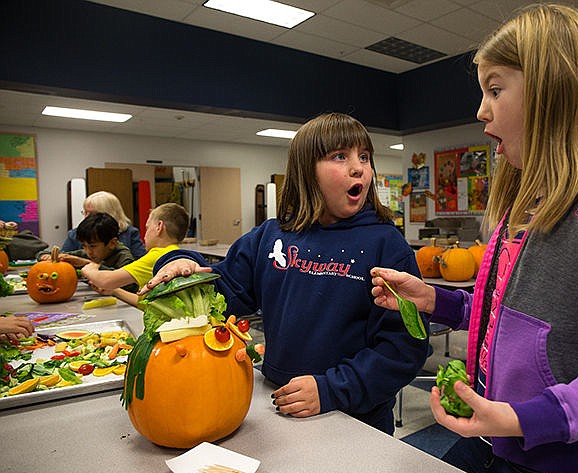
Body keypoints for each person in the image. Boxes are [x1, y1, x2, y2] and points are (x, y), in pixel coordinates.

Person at [371, 4, 578, 473]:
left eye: (496, 89)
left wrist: (522, 418)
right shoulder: (524, 203)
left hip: (560, 463)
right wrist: (436, 300)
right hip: (494, 443)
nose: (481, 110)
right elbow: (507, 311)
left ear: (552, 91)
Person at [139, 112, 429, 434]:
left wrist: (332, 389)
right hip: (278, 402)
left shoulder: (386, 245)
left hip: (357, 418)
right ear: (307, 172)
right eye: (339, 156)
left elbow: (403, 347)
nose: (358, 166)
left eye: (364, 156)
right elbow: (223, 291)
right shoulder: (271, 236)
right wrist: (181, 262)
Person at [81, 203, 189, 307]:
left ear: (159, 227)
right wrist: (115, 291)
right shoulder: (175, 252)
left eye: (147, 228)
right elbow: (146, 304)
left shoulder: (159, 256)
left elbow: (106, 280)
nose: (145, 235)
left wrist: (90, 270)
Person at [37, 213, 135, 274]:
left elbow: (127, 283)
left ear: (112, 243)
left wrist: (88, 264)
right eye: (84, 245)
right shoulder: (87, 254)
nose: (88, 252)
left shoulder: (124, 257)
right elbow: (40, 254)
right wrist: (46, 256)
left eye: (93, 246)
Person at [63, 191, 146, 260]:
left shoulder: (130, 234)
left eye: (92, 214)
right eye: (85, 212)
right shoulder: (74, 234)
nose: (86, 217)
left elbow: (140, 262)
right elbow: (64, 257)